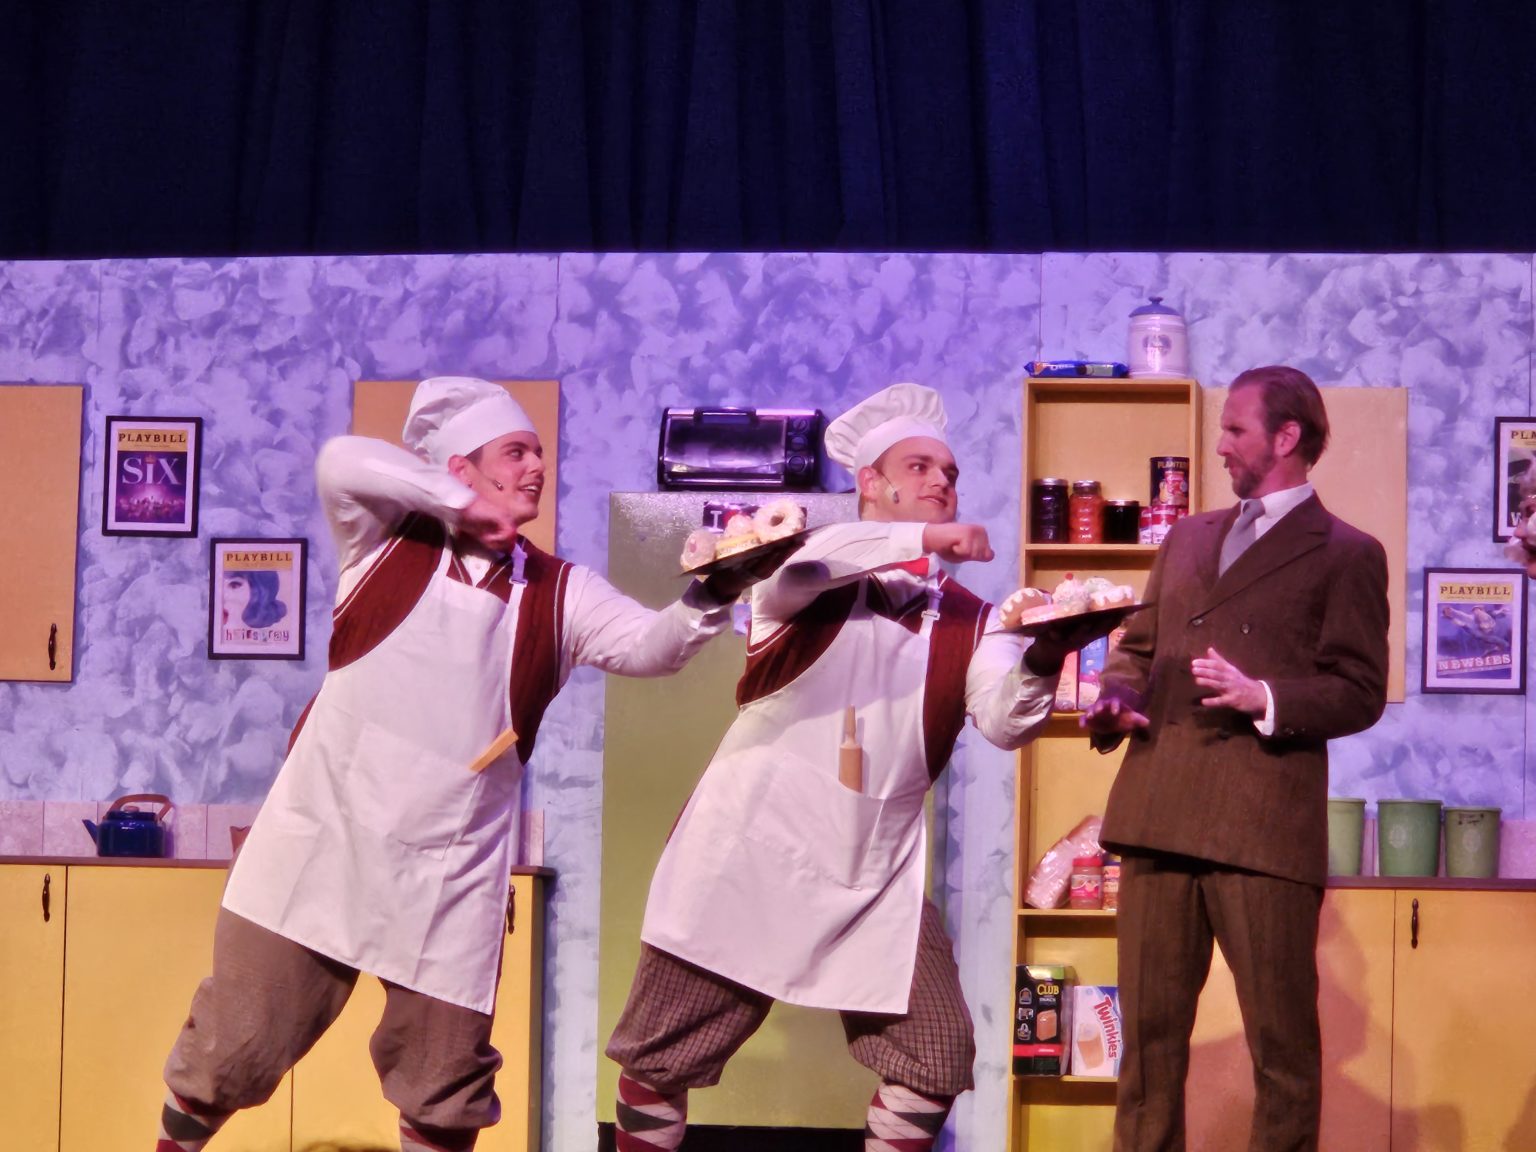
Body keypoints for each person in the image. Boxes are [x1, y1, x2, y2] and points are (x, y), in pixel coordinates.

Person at [156, 376, 760, 1152]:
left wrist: (714, 591)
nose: (537, 466)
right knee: (232, 1047)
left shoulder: (560, 591)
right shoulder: (384, 544)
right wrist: (454, 505)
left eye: (539, 453)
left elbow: (652, 648)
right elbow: (341, 460)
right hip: (321, 846)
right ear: (459, 468)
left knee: (444, 1085)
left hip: (447, 876)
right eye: (515, 452)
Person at [605, 383, 1115, 1152]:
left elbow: (1006, 723)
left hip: (873, 870)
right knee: (657, 1057)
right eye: (919, 467)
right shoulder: (802, 579)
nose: (941, 481)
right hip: (751, 850)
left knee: (936, 1057)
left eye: (950, 472)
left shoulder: (977, 621)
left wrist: (1045, 653)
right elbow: (825, 556)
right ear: (870, 483)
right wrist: (926, 538)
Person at [1082, 365, 1390, 1152]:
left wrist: (1265, 697)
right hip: (1158, 812)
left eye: (1235, 430)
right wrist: (1116, 697)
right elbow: (1138, 648)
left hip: (1261, 828)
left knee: (1283, 1052)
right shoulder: (1187, 537)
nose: (1219, 446)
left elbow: (1359, 690)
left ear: (1286, 437)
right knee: (1147, 1051)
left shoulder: (1347, 553)